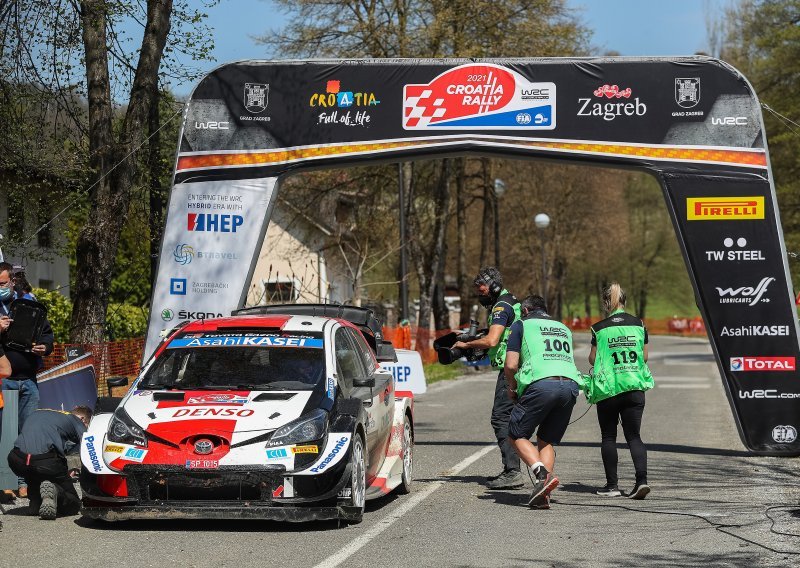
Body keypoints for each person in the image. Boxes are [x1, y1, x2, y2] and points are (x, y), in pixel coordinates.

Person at [504, 295, 582, 509]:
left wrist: (511, 387)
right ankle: (542, 493)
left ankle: (542, 474)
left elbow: (511, 364)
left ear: (526, 311)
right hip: (569, 385)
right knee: (546, 439)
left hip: (541, 383)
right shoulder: (563, 327)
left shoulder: (521, 324)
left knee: (515, 433)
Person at [452, 267, 522, 489]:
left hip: (511, 367)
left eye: (482, 290)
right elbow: (505, 334)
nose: (480, 295)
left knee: (501, 418)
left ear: (494, 286)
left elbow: (492, 341)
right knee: (516, 418)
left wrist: (467, 344)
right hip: (523, 365)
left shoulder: (501, 306)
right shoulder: (512, 301)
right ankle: (535, 470)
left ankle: (512, 471)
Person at [587, 282, 654, 500]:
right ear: (624, 301)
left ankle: (612, 486)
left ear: (608, 303)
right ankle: (641, 481)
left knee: (608, 437)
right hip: (633, 386)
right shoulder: (639, 324)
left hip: (609, 389)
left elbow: (593, 359)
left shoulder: (599, 328)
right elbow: (644, 357)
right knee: (634, 436)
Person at [0, 261, 55, 497]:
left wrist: (46, 347)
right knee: (6, 433)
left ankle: (24, 484)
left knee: (27, 433)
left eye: (2, 283)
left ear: (12, 281)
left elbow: (47, 334)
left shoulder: (29, 305)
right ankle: (6, 483)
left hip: (29, 380)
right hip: (5, 381)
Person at [7, 406, 92, 519]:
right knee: (74, 504)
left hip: (16, 459)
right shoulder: (76, 421)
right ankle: (55, 490)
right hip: (45, 463)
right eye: (87, 424)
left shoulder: (40, 412)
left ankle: (36, 501)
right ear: (82, 419)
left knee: (33, 470)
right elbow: (89, 450)